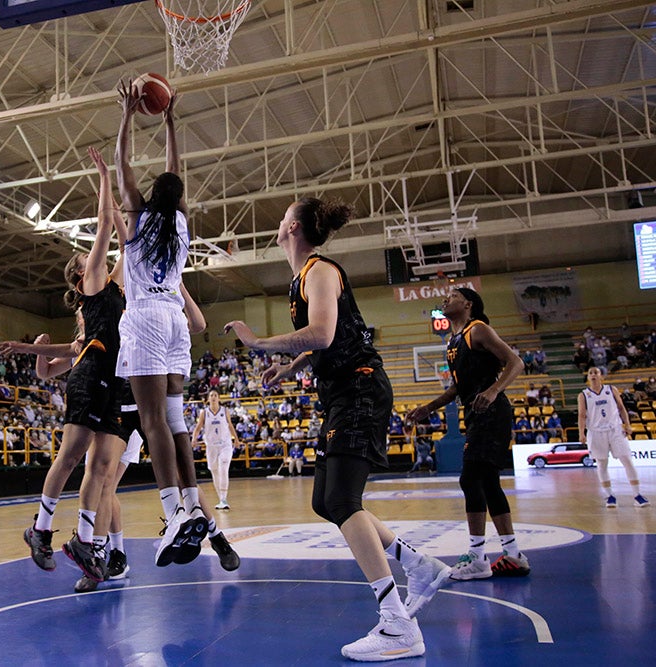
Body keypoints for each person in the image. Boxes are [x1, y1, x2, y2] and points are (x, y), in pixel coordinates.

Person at [224, 197, 449, 662]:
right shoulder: (302, 278)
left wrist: (260, 343)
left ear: (294, 227)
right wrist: (292, 368)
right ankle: (419, 565)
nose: (278, 220)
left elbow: (324, 333)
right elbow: (333, 334)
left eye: (284, 214)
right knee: (326, 501)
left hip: (360, 389)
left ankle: (397, 624)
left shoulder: (321, 271)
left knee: (344, 501)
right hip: (342, 392)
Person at [4, 147, 128, 583]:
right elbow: (108, 226)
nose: (93, 256)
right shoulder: (93, 281)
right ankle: (39, 529)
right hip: (91, 374)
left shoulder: (115, 284)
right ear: (80, 276)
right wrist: (104, 176)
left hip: (114, 380)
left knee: (105, 467)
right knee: (72, 456)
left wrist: (128, 201)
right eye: (86, 258)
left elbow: (127, 242)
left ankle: (85, 542)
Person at [114, 78, 210, 567]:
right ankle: (194, 506)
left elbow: (123, 165)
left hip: (147, 319)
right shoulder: (179, 221)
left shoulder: (139, 216)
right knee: (174, 421)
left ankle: (173, 512)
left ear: (150, 195)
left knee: (149, 421)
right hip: (175, 319)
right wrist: (170, 118)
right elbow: (176, 171)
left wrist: (128, 116)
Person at [407, 287, 530, 581]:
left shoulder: (479, 329)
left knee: (470, 478)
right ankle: (513, 555)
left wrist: (492, 390)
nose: (446, 299)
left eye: (453, 295)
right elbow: (458, 388)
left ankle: (477, 557)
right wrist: (429, 407)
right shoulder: (453, 341)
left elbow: (516, 362)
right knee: (487, 482)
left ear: (468, 304)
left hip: (492, 410)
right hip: (475, 412)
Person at [578, 366, 650, 508]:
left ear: (601, 376)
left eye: (596, 373)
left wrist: (627, 424)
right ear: (588, 378)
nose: (593, 375)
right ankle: (609, 496)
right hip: (596, 432)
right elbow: (581, 415)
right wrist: (581, 433)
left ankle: (637, 495)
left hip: (615, 429)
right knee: (602, 464)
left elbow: (622, 408)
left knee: (627, 461)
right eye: (590, 373)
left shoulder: (611, 389)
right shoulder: (584, 395)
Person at [190, 389, 240, 510]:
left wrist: (236, 439)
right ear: (208, 399)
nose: (213, 397)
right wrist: (194, 439)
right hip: (211, 446)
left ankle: (224, 498)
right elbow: (198, 428)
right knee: (214, 471)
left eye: (215, 395)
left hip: (225, 445)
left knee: (223, 468)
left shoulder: (225, 411)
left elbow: (230, 425)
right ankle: (221, 498)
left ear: (219, 398)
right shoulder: (204, 412)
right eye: (211, 395)